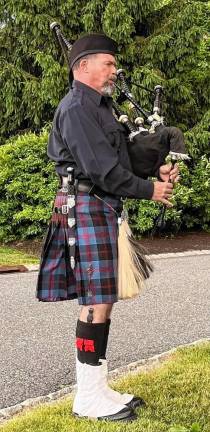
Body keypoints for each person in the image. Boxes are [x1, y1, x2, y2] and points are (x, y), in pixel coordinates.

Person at [36, 33, 179, 422]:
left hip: (101, 206)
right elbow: (102, 171)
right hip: (85, 205)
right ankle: (87, 396)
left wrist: (156, 169)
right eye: (109, 63)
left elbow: (121, 159)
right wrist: (151, 190)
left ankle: (97, 387)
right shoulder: (77, 108)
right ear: (84, 66)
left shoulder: (101, 107)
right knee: (94, 300)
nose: (115, 70)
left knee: (105, 298)